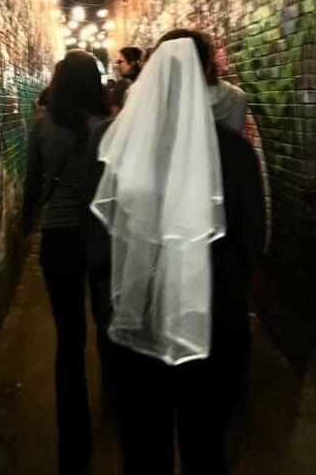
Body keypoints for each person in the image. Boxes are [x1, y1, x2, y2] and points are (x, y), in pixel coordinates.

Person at [86, 28, 266, 475]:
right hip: (212, 323)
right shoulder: (234, 152)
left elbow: (99, 242)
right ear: (207, 76)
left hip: (138, 317)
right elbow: (253, 240)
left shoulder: (114, 144)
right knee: (206, 445)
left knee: (143, 446)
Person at [23, 50, 111, 475]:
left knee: (69, 341)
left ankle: (72, 440)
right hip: (99, 239)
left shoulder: (42, 127)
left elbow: (32, 184)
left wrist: (27, 228)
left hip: (58, 239)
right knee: (108, 327)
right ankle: (116, 408)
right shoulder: (109, 128)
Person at [110, 46, 142, 115]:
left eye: (120, 62)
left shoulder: (122, 84)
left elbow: (115, 113)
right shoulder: (146, 81)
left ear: (132, 63)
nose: (118, 65)